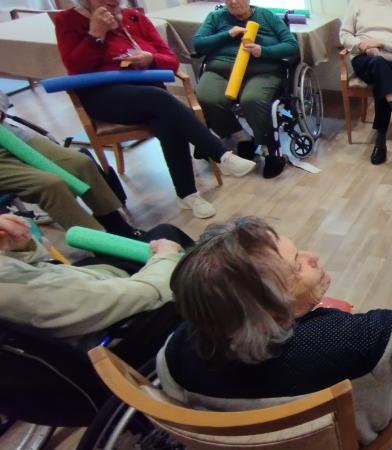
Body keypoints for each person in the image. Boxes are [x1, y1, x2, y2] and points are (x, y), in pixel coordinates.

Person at [157, 210, 392, 449]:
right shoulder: (352, 342)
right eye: (297, 265)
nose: (312, 256)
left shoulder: (173, 354)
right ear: (270, 313)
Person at [54, 0, 257, 219]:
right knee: (162, 101)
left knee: (167, 119)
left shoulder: (134, 17)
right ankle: (221, 155)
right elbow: (75, 69)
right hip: (105, 98)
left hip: (149, 96)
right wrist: (96, 34)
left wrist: (151, 58)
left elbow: (171, 61)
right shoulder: (68, 20)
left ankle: (187, 195)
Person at [0, 212, 190, 366]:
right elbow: (148, 293)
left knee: (163, 234)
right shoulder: (27, 293)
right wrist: (167, 255)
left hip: (91, 285)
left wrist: (18, 249)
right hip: (121, 328)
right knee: (171, 241)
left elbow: (28, 268)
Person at [1, 96, 140, 238]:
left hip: (10, 136)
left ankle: (117, 226)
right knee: (51, 184)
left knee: (81, 163)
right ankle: (98, 242)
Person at [193, 0, 299, 178]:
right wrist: (227, 34)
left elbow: (291, 45)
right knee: (206, 96)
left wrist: (262, 50)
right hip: (221, 71)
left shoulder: (266, 16)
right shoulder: (216, 17)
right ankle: (241, 137)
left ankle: (269, 149)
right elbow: (198, 44)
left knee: (252, 100)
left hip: (260, 71)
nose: (234, 2)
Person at [340, 0, 392, 166]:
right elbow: (344, 35)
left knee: (382, 73)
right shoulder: (357, 3)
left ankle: (381, 141)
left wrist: (381, 43)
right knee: (378, 64)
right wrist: (362, 45)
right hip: (365, 60)